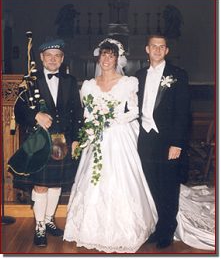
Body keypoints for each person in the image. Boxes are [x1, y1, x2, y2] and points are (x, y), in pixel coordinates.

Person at [63, 38, 158, 253]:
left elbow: (134, 111)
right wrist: (90, 128)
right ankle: (89, 228)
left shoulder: (128, 83)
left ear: (118, 59)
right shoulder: (88, 85)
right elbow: (86, 113)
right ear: (98, 58)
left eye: (111, 55)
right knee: (93, 178)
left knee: (121, 178)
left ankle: (126, 228)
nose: (107, 59)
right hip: (96, 137)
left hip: (120, 134)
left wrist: (113, 120)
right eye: (103, 55)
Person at [13, 39, 83, 247]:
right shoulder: (29, 81)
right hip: (39, 140)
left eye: (57, 56)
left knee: (56, 184)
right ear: (42, 58)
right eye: (49, 55)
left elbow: (77, 111)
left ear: (62, 59)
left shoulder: (70, 81)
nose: (53, 59)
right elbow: (19, 109)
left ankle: (50, 219)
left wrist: (77, 138)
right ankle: (39, 226)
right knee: (41, 185)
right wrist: (36, 116)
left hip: (61, 139)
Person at [135, 34, 190, 249]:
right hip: (145, 138)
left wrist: (177, 143)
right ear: (147, 49)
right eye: (153, 46)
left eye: (162, 47)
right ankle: (158, 227)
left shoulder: (178, 75)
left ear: (167, 51)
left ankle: (167, 229)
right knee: (151, 185)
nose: (157, 50)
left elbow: (183, 113)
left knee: (168, 186)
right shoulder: (138, 75)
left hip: (168, 141)